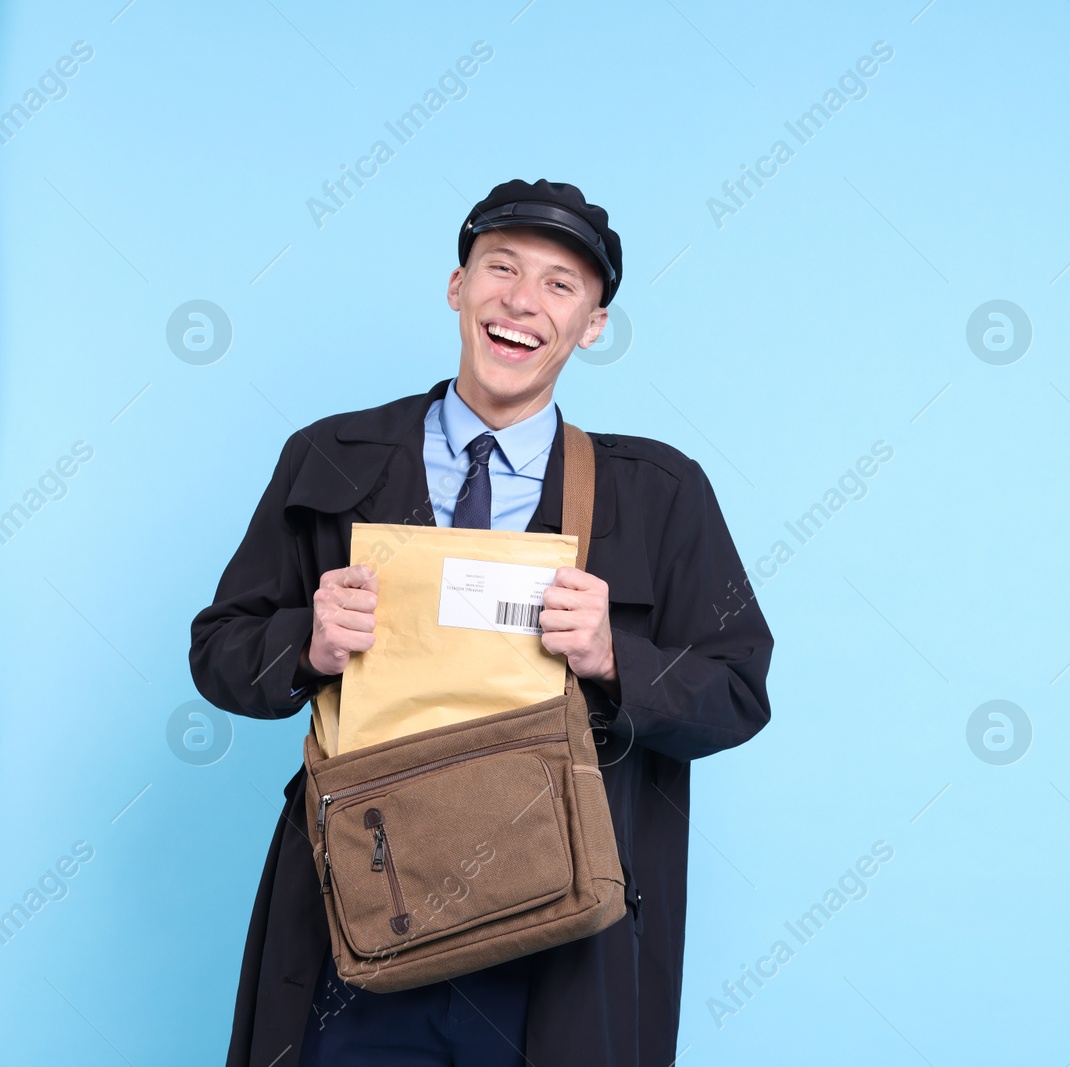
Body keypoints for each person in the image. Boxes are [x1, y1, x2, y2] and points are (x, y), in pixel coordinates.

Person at [190, 178, 774, 1066]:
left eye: (560, 284)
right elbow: (218, 652)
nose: (522, 302)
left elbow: (737, 691)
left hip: (559, 945)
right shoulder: (328, 457)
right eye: (500, 268)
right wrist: (304, 641)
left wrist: (617, 656)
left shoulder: (658, 492)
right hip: (360, 918)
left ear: (594, 325)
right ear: (457, 286)